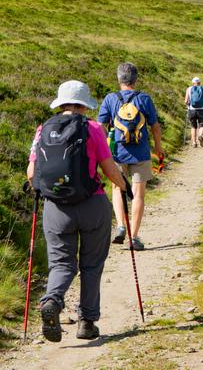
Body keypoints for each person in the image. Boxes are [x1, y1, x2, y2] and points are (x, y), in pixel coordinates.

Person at [27, 80, 130, 342]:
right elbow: (108, 169)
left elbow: (31, 173)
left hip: (56, 210)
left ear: (60, 103)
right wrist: (124, 187)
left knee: (61, 263)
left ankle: (52, 300)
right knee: (92, 264)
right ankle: (87, 321)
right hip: (92, 204)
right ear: (84, 105)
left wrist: (44, 191)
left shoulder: (42, 130)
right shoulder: (93, 128)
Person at [97, 62, 164, 251]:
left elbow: (100, 126)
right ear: (136, 80)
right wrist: (158, 147)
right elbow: (155, 126)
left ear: (119, 79)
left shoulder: (110, 99)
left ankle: (120, 225)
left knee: (118, 189)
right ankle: (134, 237)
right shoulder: (144, 99)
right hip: (141, 153)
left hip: (117, 154)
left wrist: (101, 149)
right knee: (139, 194)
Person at [185, 77, 203, 147]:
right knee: (202, 125)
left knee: (193, 126)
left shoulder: (189, 89)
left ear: (193, 83)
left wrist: (188, 105)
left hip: (192, 110)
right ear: (200, 83)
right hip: (202, 110)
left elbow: (186, 101)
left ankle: (194, 143)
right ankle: (200, 136)